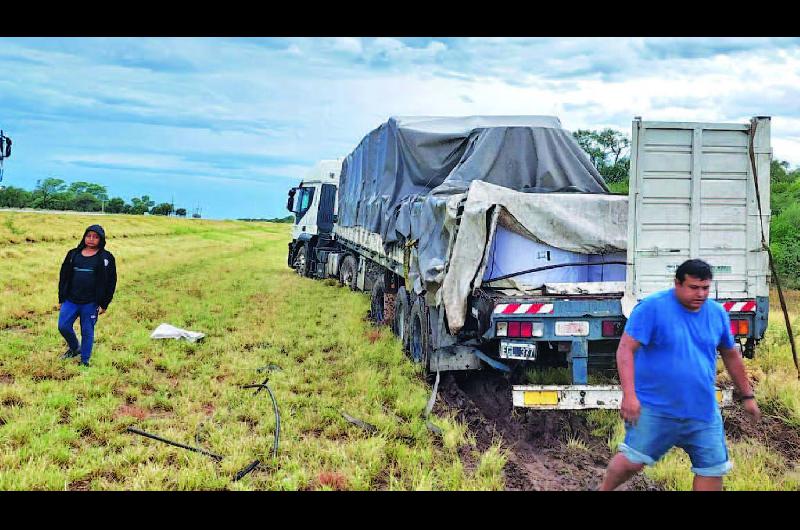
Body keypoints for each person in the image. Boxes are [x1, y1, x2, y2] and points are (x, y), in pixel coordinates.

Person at [599, 259, 761, 491]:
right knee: (631, 463)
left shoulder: (716, 313)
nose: (701, 294)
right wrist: (629, 396)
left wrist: (747, 395)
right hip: (655, 408)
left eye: (705, 288)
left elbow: (731, 355)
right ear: (677, 283)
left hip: (702, 411)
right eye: (694, 287)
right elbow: (625, 349)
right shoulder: (651, 308)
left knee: (711, 469)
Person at [57, 224, 117, 367]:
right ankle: (74, 348)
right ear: (84, 237)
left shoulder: (106, 258)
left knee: (87, 331)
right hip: (71, 300)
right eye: (88, 236)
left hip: (91, 303)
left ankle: (84, 361)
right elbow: (63, 276)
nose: (91, 239)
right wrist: (61, 298)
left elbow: (111, 282)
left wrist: (104, 304)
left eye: (95, 237)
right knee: (63, 326)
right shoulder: (73, 254)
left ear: (101, 240)